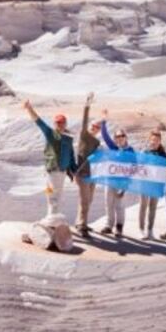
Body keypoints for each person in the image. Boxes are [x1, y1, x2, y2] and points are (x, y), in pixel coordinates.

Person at [23, 99, 77, 219]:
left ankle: (52, 218)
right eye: (57, 123)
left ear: (66, 124)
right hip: (52, 170)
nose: (60, 125)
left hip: (62, 171)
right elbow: (39, 122)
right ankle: (52, 220)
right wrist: (29, 109)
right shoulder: (51, 134)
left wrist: (74, 170)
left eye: (62, 122)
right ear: (54, 124)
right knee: (52, 196)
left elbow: (71, 156)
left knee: (56, 195)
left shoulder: (69, 139)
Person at [98, 110, 133, 238]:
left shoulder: (130, 151)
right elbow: (105, 135)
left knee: (119, 205)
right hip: (110, 180)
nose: (119, 139)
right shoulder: (114, 147)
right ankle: (109, 225)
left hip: (121, 182)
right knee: (108, 203)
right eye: (117, 137)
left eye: (121, 136)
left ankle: (119, 227)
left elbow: (133, 169)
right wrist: (104, 120)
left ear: (125, 137)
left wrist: (125, 186)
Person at [73, 92, 100, 238]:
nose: (95, 128)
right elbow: (84, 121)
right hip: (82, 173)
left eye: (97, 127)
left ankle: (82, 222)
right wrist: (87, 106)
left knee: (89, 200)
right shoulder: (84, 135)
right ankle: (81, 226)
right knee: (84, 199)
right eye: (93, 126)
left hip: (92, 175)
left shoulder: (97, 142)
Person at [138, 127, 166, 240]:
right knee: (143, 206)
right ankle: (141, 230)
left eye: (157, 139)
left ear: (160, 141)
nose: (154, 141)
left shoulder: (163, 154)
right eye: (153, 139)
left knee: (153, 207)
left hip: (156, 184)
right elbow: (139, 167)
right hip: (145, 183)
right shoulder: (145, 152)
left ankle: (150, 230)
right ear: (150, 140)